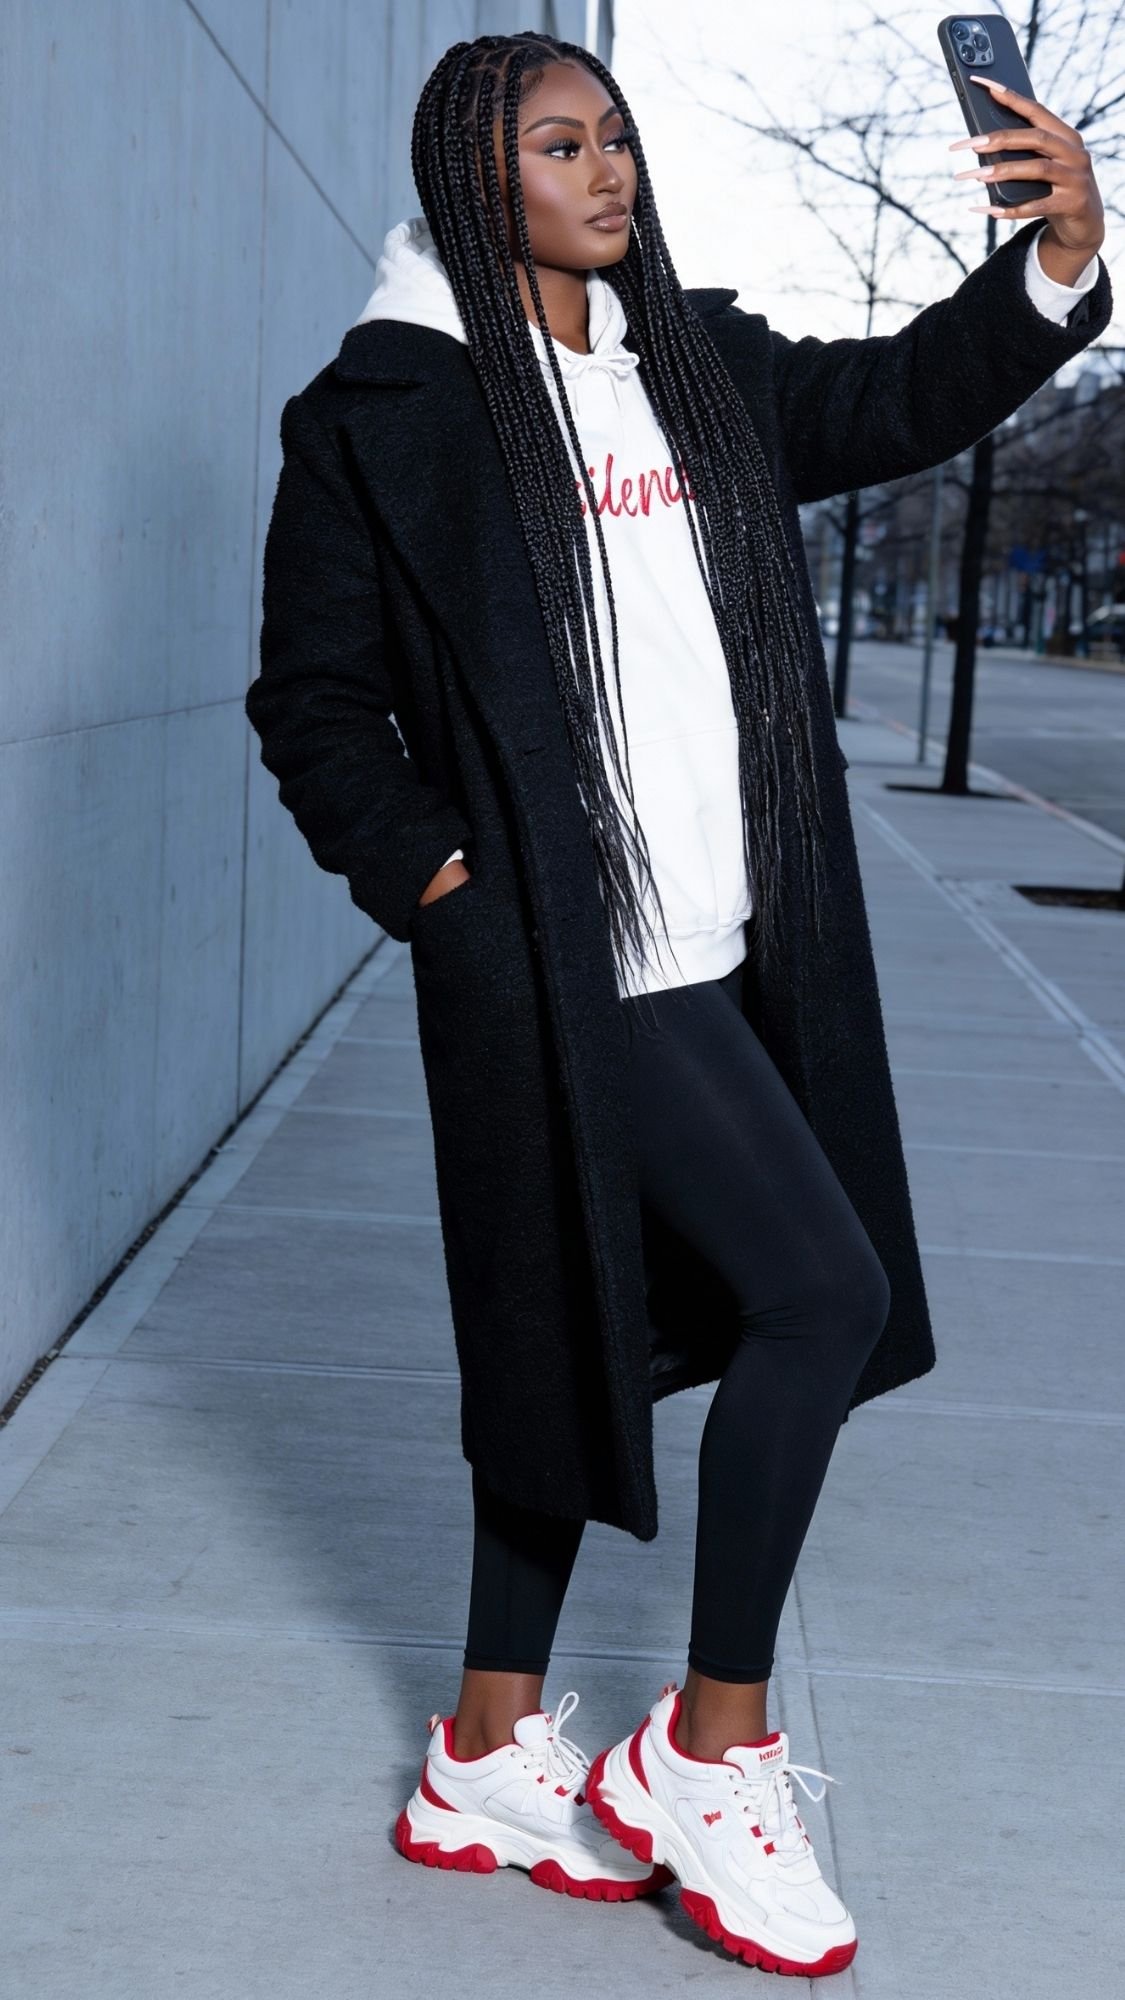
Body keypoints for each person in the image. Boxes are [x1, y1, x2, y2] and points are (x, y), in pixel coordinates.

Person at [245, 30, 1109, 1979]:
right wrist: (449, 890)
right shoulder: (385, 410)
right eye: (562, 141)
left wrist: (1052, 269)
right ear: (477, 178)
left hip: (721, 939)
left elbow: (898, 397)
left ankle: (482, 1749)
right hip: (562, 963)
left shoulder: (686, 368)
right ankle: (706, 1752)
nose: (608, 167)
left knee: (584, 1323)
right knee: (817, 1293)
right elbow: (315, 706)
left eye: (616, 134)